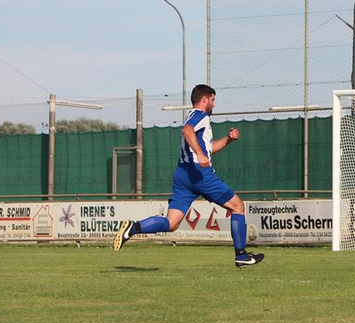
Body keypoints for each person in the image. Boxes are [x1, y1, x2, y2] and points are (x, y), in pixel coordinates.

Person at [113, 83, 264, 269]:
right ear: (204, 100)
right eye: (213, 100)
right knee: (238, 206)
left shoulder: (194, 117)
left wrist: (227, 140)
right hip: (199, 174)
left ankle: (133, 228)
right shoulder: (200, 115)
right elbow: (187, 130)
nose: (214, 104)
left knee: (171, 223)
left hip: (183, 175)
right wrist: (200, 154)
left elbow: (207, 150)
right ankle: (241, 255)